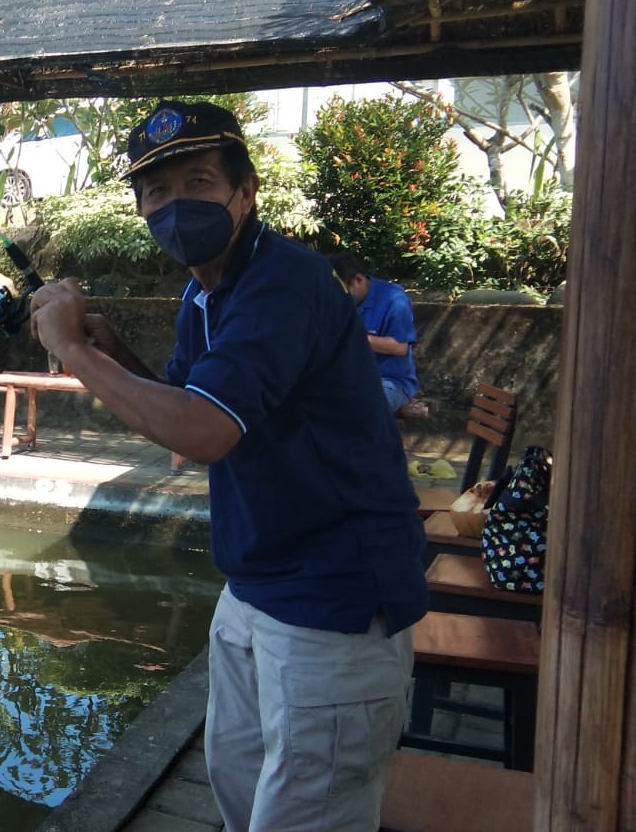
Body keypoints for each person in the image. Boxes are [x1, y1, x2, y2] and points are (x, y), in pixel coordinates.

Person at [27, 100, 427, 831]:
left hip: (334, 594)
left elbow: (205, 433)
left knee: (309, 811)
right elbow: (187, 414)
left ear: (246, 193)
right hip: (256, 583)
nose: (175, 206)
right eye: (156, 192)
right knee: (239, 786)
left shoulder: (283, 283)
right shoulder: (206, 292)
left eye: (200, 181)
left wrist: (75, 355)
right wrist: (114, 352)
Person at [328, 251, 423, 418]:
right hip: (347, 379)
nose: (338, 298)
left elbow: (399, 347)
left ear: (358, 279)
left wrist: (353, 336)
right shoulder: (339, 299)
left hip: (390, 382)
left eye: (342, 291)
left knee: (353, 407)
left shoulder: (394, 298)